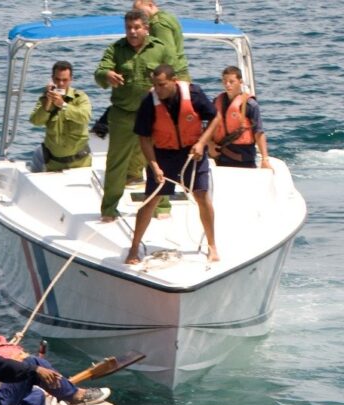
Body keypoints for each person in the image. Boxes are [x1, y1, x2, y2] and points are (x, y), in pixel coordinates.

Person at [126, 64, 221, 264]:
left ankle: (212, 245)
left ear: (173, 81)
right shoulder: (149, 103)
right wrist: (154, 166)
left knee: (202, 195)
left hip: (192, 153)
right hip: (163, 154)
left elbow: (215, 117)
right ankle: (134, 247)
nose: (158, 90)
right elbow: (143, 138)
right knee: (150, 200)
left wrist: (202, 143)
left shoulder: (193, 94)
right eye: (155, 85)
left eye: (162, 85)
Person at [94, 10, 182, 223]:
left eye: (136, 28)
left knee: (158, 160)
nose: (132, 32)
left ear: (146, 28)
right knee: (117, 163)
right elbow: (99, 72)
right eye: (128, 28)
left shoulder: (160, 49)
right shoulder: (116, 49)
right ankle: (109, 209)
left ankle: (161, 203)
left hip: (155, 115)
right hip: (123, 115)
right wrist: (107, 75)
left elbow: (176, 76)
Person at [29, 61, 92, 172]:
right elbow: (35, 121)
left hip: (80, 163)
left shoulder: (80, 97)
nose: (61, 84)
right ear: (52, 79)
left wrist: (63, 105)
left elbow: (85, 117)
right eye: (57, 79)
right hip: (54, 164)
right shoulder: (46, 99)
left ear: (71, 79)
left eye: (65, 80)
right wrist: (47, 104)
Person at [209, 66, 272, 169]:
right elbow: (209, 128)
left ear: (240, 82)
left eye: (231, 81)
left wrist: (265, 159)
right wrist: (209, 144)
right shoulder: (217, 102)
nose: (227, 85)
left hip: (244, 158)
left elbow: (258, 133)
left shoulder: (250, 105)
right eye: (224, 81)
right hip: (220, 157)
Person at [133, 0, 190, 81]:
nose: (139, 16)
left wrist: (165, 76)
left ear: (150, 5)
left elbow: (168, 53)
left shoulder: (158, 25)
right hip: (181, 69)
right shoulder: (167, 16)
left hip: (173, 75)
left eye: (141, 12)